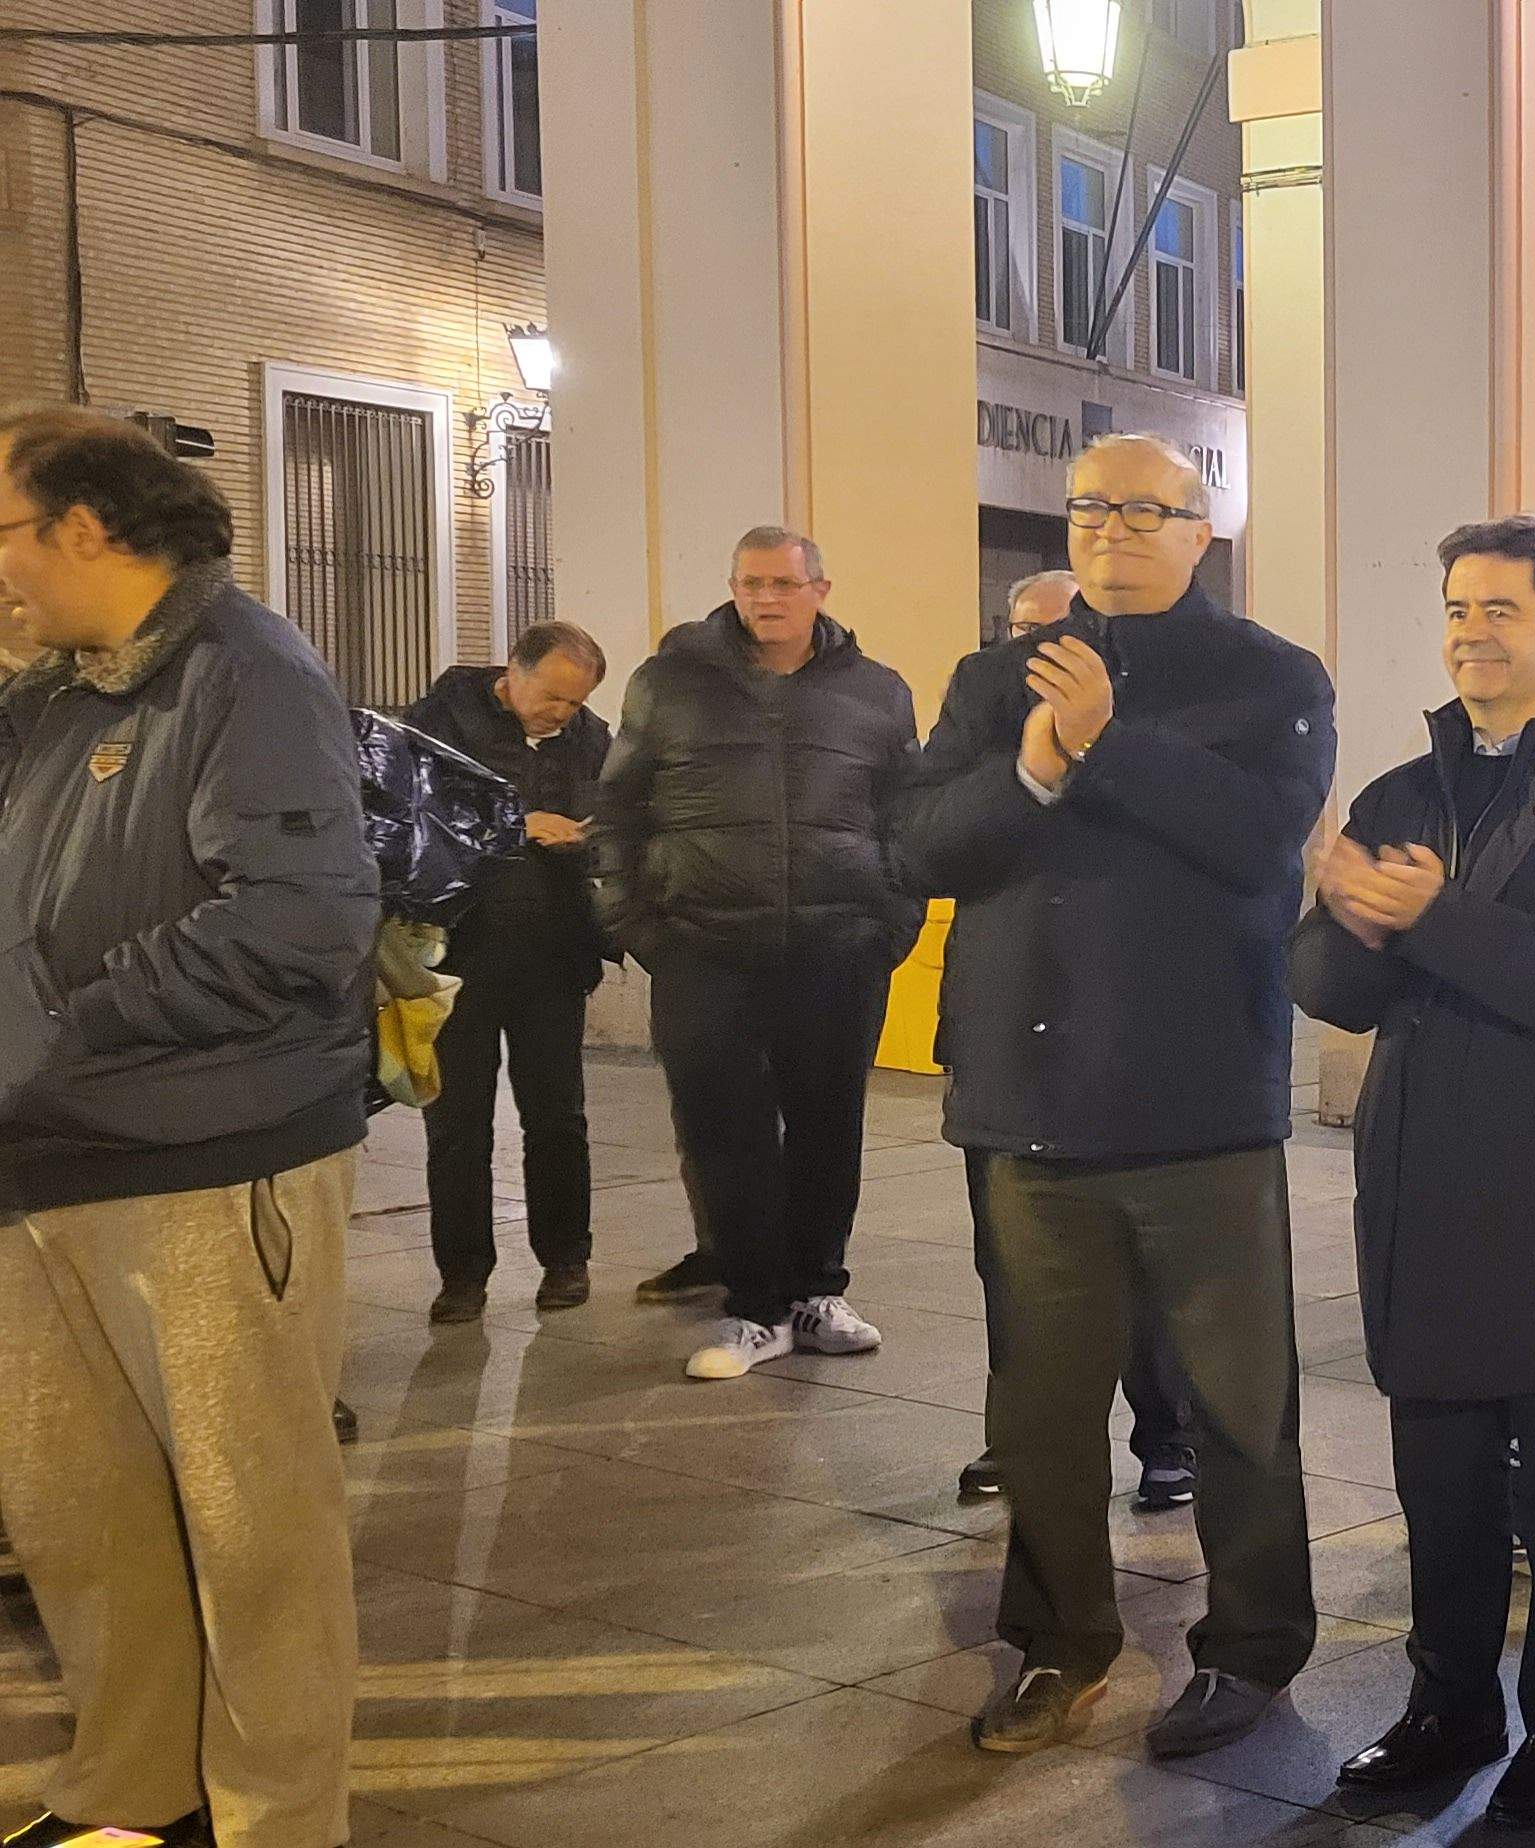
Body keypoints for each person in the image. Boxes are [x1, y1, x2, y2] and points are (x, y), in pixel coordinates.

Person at [909, 436, 1331, 1761]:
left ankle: (1254, 1647)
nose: (1115, 530)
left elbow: (1261, 837)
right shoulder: (996, 677)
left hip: (1201, 1100)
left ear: (1204, 532)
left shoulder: (1270, 678)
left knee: (1239, 1402)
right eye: (1093, 508)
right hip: (1030, 1100)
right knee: (1039, 1408)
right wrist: (1035, 760)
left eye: (1149, 511)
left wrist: (1108, 745)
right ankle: (1060, 1640)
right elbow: (915, 844)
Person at [0, 407, 381, 1848]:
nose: (3, 574)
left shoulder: (246, 673)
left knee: (252, 1532)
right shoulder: (59, 692)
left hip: (211, 1164)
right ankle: (131, 1790)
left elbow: (298, 921)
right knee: (79, 1516)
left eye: (6, 537)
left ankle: (278, 1816)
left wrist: (55, 1025)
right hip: (46, 1162)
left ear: (85, 529)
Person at [1293, 513, 1535, 1828]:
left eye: (1500, 611)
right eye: (1457, 609)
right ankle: (1447, 1704)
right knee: (1440, 1489)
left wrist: (1429, 918)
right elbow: (1333, 991)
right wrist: (1345, 919)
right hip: (1424, 1192)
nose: (1471, 633)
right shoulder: (1407, 796)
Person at [594, 525, 921, 1380]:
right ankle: (754, 1309)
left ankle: (817, 1290)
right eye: (749, 583)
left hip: (838, 945)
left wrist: (893, 922)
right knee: (723, 1130)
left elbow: (904, 817)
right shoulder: (668, 684)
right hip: (703, 947)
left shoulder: (877, 692)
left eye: (781, 582)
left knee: (827, 1124)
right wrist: (638, 925)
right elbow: (620, 811)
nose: (764, 599)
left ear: (819, 587)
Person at [947, 567, 1201, 1516]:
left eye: (1056, 632)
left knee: (1138, 1272)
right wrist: (1026, 778)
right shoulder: (982, 716)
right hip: (1007, 1043)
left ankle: (1168, 1438)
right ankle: (1019, 1439)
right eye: (1019, 631)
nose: (1036, 652)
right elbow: (920, 842)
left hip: (1125, 1043)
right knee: (1009, 1269)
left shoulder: (1151, 730)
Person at [402, 621, 615, 1325]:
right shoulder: (440, 722)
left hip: (553, 956)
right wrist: (517, 826)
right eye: (552, 696)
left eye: (575, 702)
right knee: (456, 1123)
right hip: (456, 956)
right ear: (513, 671)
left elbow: (618, 813)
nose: (562, 713)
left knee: (557, 1118)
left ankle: (565, 1259)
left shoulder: (590, 738)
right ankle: (462, 1274)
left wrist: (593, 839)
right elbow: (407, 819)